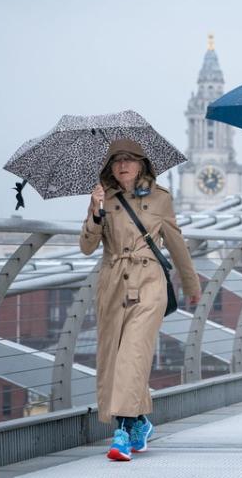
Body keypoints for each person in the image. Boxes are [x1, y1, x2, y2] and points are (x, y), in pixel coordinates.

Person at [79, 139, 201, 462]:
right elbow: (86, 246)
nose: (123, 165)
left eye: (130, 159)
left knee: (133, 354)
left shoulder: (161, 199)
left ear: (142, 164)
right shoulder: (103, 198)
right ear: (110, 166)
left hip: (149, 286)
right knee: (116, 360)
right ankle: (141, 423)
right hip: (114, 287)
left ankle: (121, 433)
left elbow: (176, 243)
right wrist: (95, 212)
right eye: (117, 160)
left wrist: (191, 284)